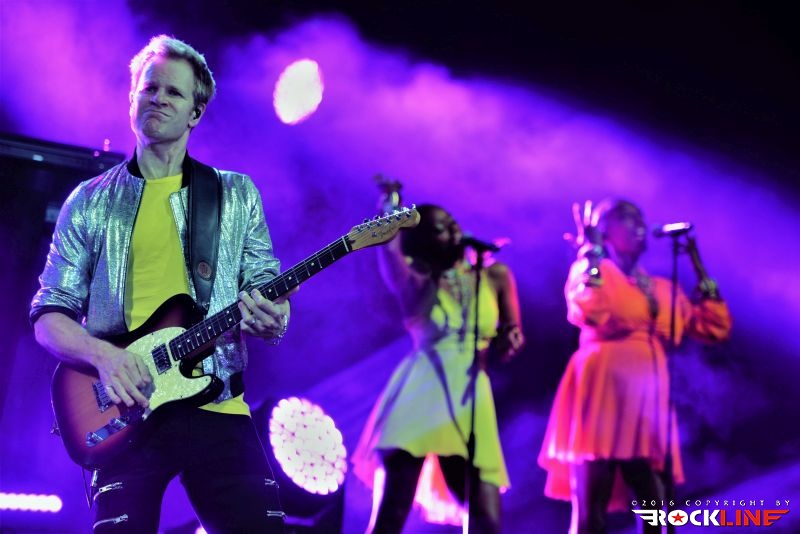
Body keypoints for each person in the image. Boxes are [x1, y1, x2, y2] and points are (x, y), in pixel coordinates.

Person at [30, 35, 292, 533]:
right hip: (124, 409)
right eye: (149, 88)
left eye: (173, 92)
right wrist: (105, 357)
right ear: (132, 97)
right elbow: (49, 315)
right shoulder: (88, 201)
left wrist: (273, 319)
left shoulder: (235, 194)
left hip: (218, 404)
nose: (158, 99)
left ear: (196, 113)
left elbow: (264, 283)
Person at [538, 199, 732, 534]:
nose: (639, 224)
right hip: (601, 393)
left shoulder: (662, 288)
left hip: (647, 401)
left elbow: (714, 328)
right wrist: (591, 255)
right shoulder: (594, 273)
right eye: (627, 218)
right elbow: (589, 311)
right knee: (591, 510)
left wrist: (696, 261)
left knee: (657, 509)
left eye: (641, 218)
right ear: (605, 231)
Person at [352, 182, 525, 534]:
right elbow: (390, 255)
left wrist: (510, 338)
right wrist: (391, 213)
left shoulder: (494, 276)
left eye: (452, 223)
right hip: (421, 393)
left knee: (486, 519)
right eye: (439, 229)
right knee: (392, 513)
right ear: (422, 243)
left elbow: (513, 328)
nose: (453, 231)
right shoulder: (415, 283)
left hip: (471, 396)